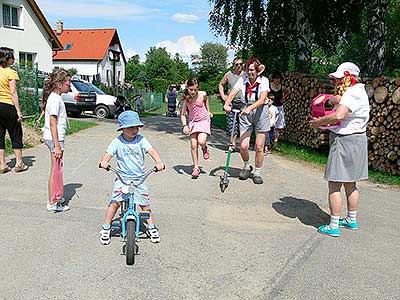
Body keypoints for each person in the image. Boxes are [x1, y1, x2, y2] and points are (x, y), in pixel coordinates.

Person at [310, 62, 370, 237]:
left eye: (338, 79)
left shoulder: (351, 92)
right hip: (358, 139)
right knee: (351, 183)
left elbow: (339, 115)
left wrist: (318, 122)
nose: (335, 82)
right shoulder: (359, 91)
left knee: (334, 183)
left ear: (347, 78)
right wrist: (330, 98)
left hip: (344, 141)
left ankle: (333, 225)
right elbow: (343, 103)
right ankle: (351, 219)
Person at [99, 110, 165, 244]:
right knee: (115, 203)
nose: (135, 130)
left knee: (144, 205)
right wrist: (104, 161)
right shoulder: (117, 142)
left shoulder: (141, 140)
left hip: (140, 178)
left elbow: (151, 150)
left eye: (137, 127)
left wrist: (158, 162)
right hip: (122, 178)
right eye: (130, 127)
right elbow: (107, 154)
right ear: (122, 128)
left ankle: (151, 227)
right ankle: (106, 227)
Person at [224, 57, 270, 184]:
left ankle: (257, 172)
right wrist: (227, 103)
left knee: (259, 146)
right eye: (248, 70)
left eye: (252, 70)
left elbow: (262, 99)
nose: (250, 72)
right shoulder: (242, 80)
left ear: (257, 70)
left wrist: (250, 108)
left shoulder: (264, 81)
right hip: (245, 111)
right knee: (243, 146)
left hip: (260, 111)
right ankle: (247, 166)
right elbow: (233, 92)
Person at [41, 69, 71, 212]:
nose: (69, 85)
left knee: (58, 168)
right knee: (55, 169)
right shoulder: (54, 99)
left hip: (56, 138)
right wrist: (57, 146)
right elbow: (53, 123)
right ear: (59, 84)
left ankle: (57, 195)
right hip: (55, 139)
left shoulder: (57, 97)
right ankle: (53, 201)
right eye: (67, 82)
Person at [0, 47, 29, 174]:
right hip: (8, 105)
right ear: (7, 58)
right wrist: (18, 111)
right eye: (12, 57)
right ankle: (19, 163)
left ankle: (2, 164)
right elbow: (13, 92)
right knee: (16, 133)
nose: (13, 59)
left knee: (0, 135)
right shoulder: (11, 73)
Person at [180, 78, 212, 178]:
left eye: (195, 89)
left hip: (204, 120)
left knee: (201, 141)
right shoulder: (186, 99)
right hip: (193, 123)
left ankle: (204, 148)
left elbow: (206, 101)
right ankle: (196, 167)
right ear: (187, 88)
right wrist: (185, 125)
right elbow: (183, 114)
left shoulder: (203, 94)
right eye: (191, 89)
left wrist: (208, 111)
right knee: (193, 145)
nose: (193, 92)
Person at [219, 57, 245, 151]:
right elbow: (221, 85)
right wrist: (223, 96)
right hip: (231, 102)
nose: (239, 66)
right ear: (233, 65)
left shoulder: (245, 75)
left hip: (243, 103)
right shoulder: (228, 75)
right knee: (232, 124)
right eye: (237, 64)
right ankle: (232, 144)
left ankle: (243, 145)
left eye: (241, 64)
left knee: (243, 124)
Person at [269, 72, 288, 143]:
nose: (277, 80)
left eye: (278, 78)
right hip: (270, 108)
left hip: (279, 107)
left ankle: (275, 140)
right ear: (273, 79)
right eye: (275, 78)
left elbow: (287, 92)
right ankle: (268, 140)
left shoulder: (282, 87)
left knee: (278, 124)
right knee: (270, 123)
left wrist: (283, 98)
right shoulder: (269, 86)